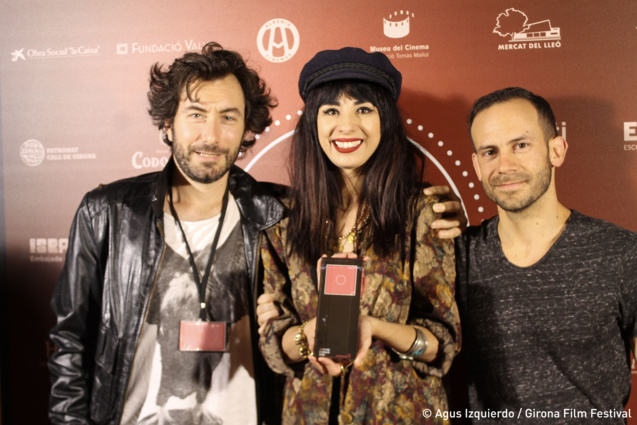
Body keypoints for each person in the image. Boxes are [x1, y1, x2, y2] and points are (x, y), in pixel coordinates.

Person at [48, 42, 285, 425]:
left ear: (247, 129)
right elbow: (70, 342)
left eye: (228, 117)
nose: (211, 135)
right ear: (167, 122)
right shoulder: (107, 212)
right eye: (195, 114)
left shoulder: (278, 216)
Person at [258, 47, 461, 424]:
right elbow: (275, 339)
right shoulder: (283, 220)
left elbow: (441, 343)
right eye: (331, 111)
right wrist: (308, 335)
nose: (346, 126)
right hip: (308, 413)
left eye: (363, 109)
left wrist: (375, 327)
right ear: (313, 124)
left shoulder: (422, 213)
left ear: (385, 120)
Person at [456, 87, 637, 424]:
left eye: (520, 145)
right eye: (490, 151)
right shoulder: (459, 257)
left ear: (557, 149)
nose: (505, 165)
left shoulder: (621, 253)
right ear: (476, 166)